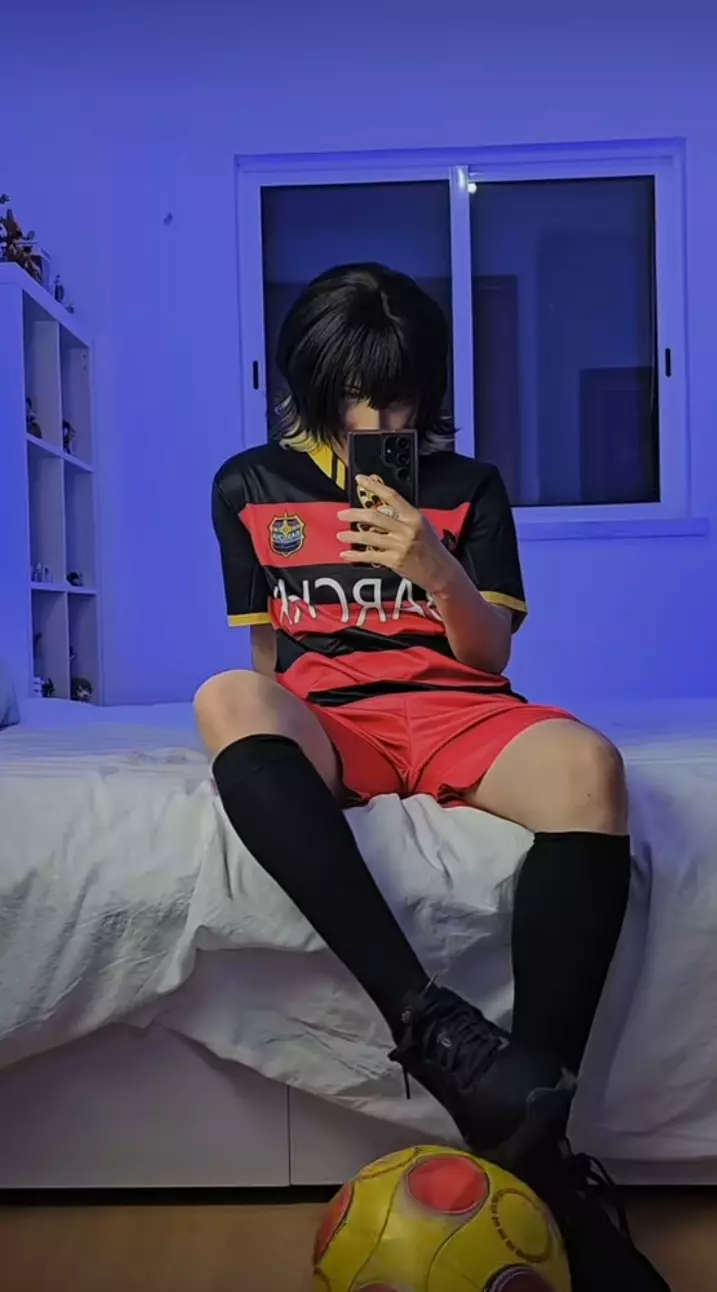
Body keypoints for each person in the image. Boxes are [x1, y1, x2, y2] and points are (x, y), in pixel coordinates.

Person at [195, 263, 670, 1291]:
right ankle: (431, 1024)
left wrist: (436, 568)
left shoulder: (468, 487)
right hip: (336, 720)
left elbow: (489, 653)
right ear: (311, 381)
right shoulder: (249, 487)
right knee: (226, 700)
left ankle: (534, 1151)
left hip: (457, 705)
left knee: (589, 766)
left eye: (401, 395)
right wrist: (288, 729)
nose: (381, 417)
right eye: (358, 393)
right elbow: (268, 662)